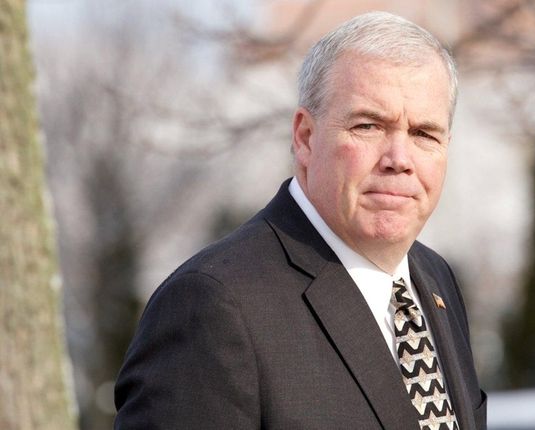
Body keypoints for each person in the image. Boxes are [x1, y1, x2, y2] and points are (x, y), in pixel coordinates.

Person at [114, 11, 486, 430]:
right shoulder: (213, 306)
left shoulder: (435, 280)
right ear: (305, 137)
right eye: (368, 126)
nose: (399, 160)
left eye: (424, 134)